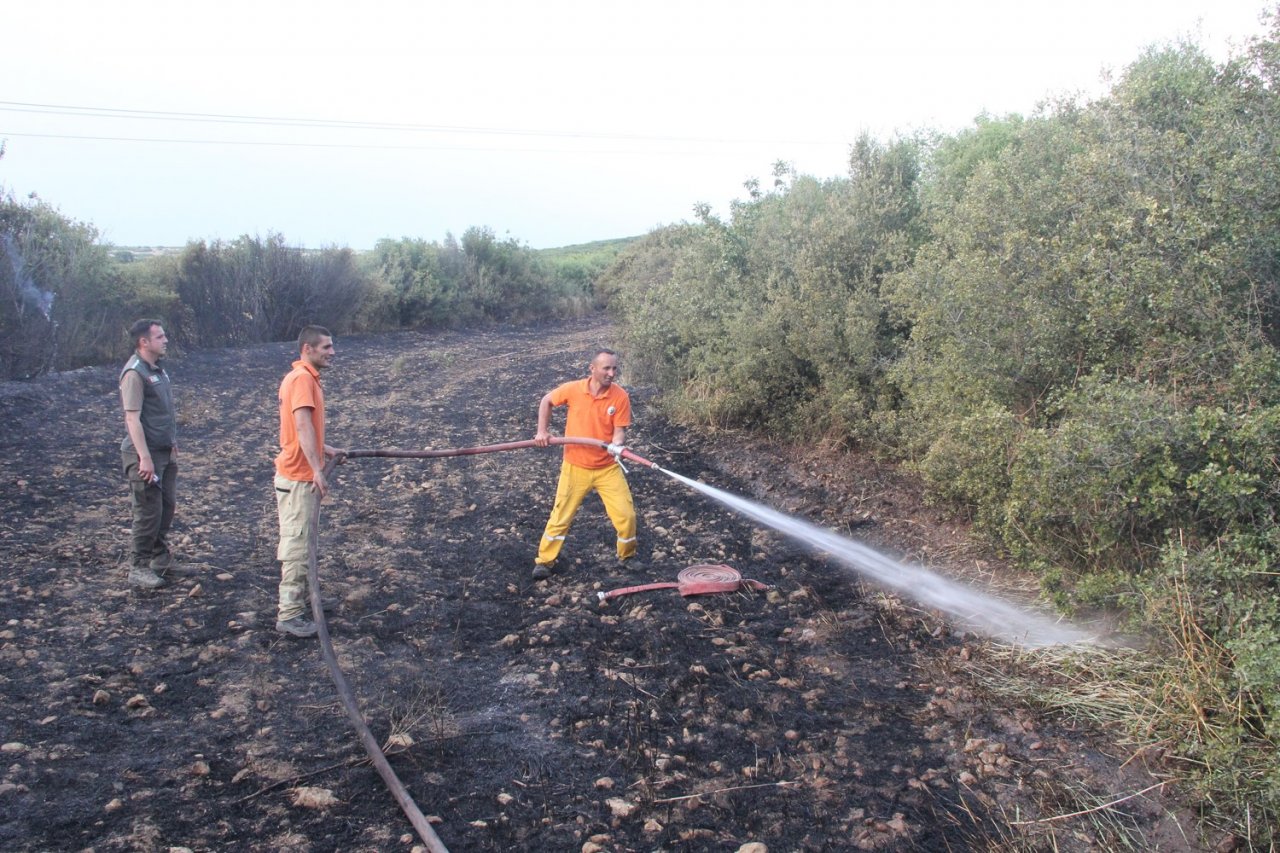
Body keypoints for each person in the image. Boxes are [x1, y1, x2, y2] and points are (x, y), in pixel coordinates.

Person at [532, 348, 637, 579]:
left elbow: (619, 432)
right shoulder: (573, 389)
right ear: (593, 369)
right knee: (560, 517)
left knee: (626, 516)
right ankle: (545, 561)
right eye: (606, 368)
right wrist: (542, 431)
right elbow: (546, 401)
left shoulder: (620, 396)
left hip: (607, 468)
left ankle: (626, 557)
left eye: (614, 368)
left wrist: (617, 445)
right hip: (575, 467)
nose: (612, 373)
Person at [273, 325, 344, 638]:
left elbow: (304, 428)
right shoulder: (302, 379)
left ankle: (307, 600)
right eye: (326, 347)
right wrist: (317, 468)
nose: (332, 352)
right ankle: (289, 614)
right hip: (298, 477)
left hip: (302, 473)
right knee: (298, 544)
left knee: (306, 542)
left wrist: (325, 448)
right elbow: (301, 425)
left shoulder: (305, 378)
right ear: (308, 349)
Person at [120, 319, 179, 590]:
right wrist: (144, 457)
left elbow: (162, 412)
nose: (165, 340)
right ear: (144, 342)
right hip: (145, 454)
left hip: (164, 451)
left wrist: (171, 442)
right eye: (160, 336)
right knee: (148, 512)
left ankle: (159, 559)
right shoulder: (135, 373)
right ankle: (138, 567)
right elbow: (132, 419)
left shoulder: (158, 370)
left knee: (166, 507)